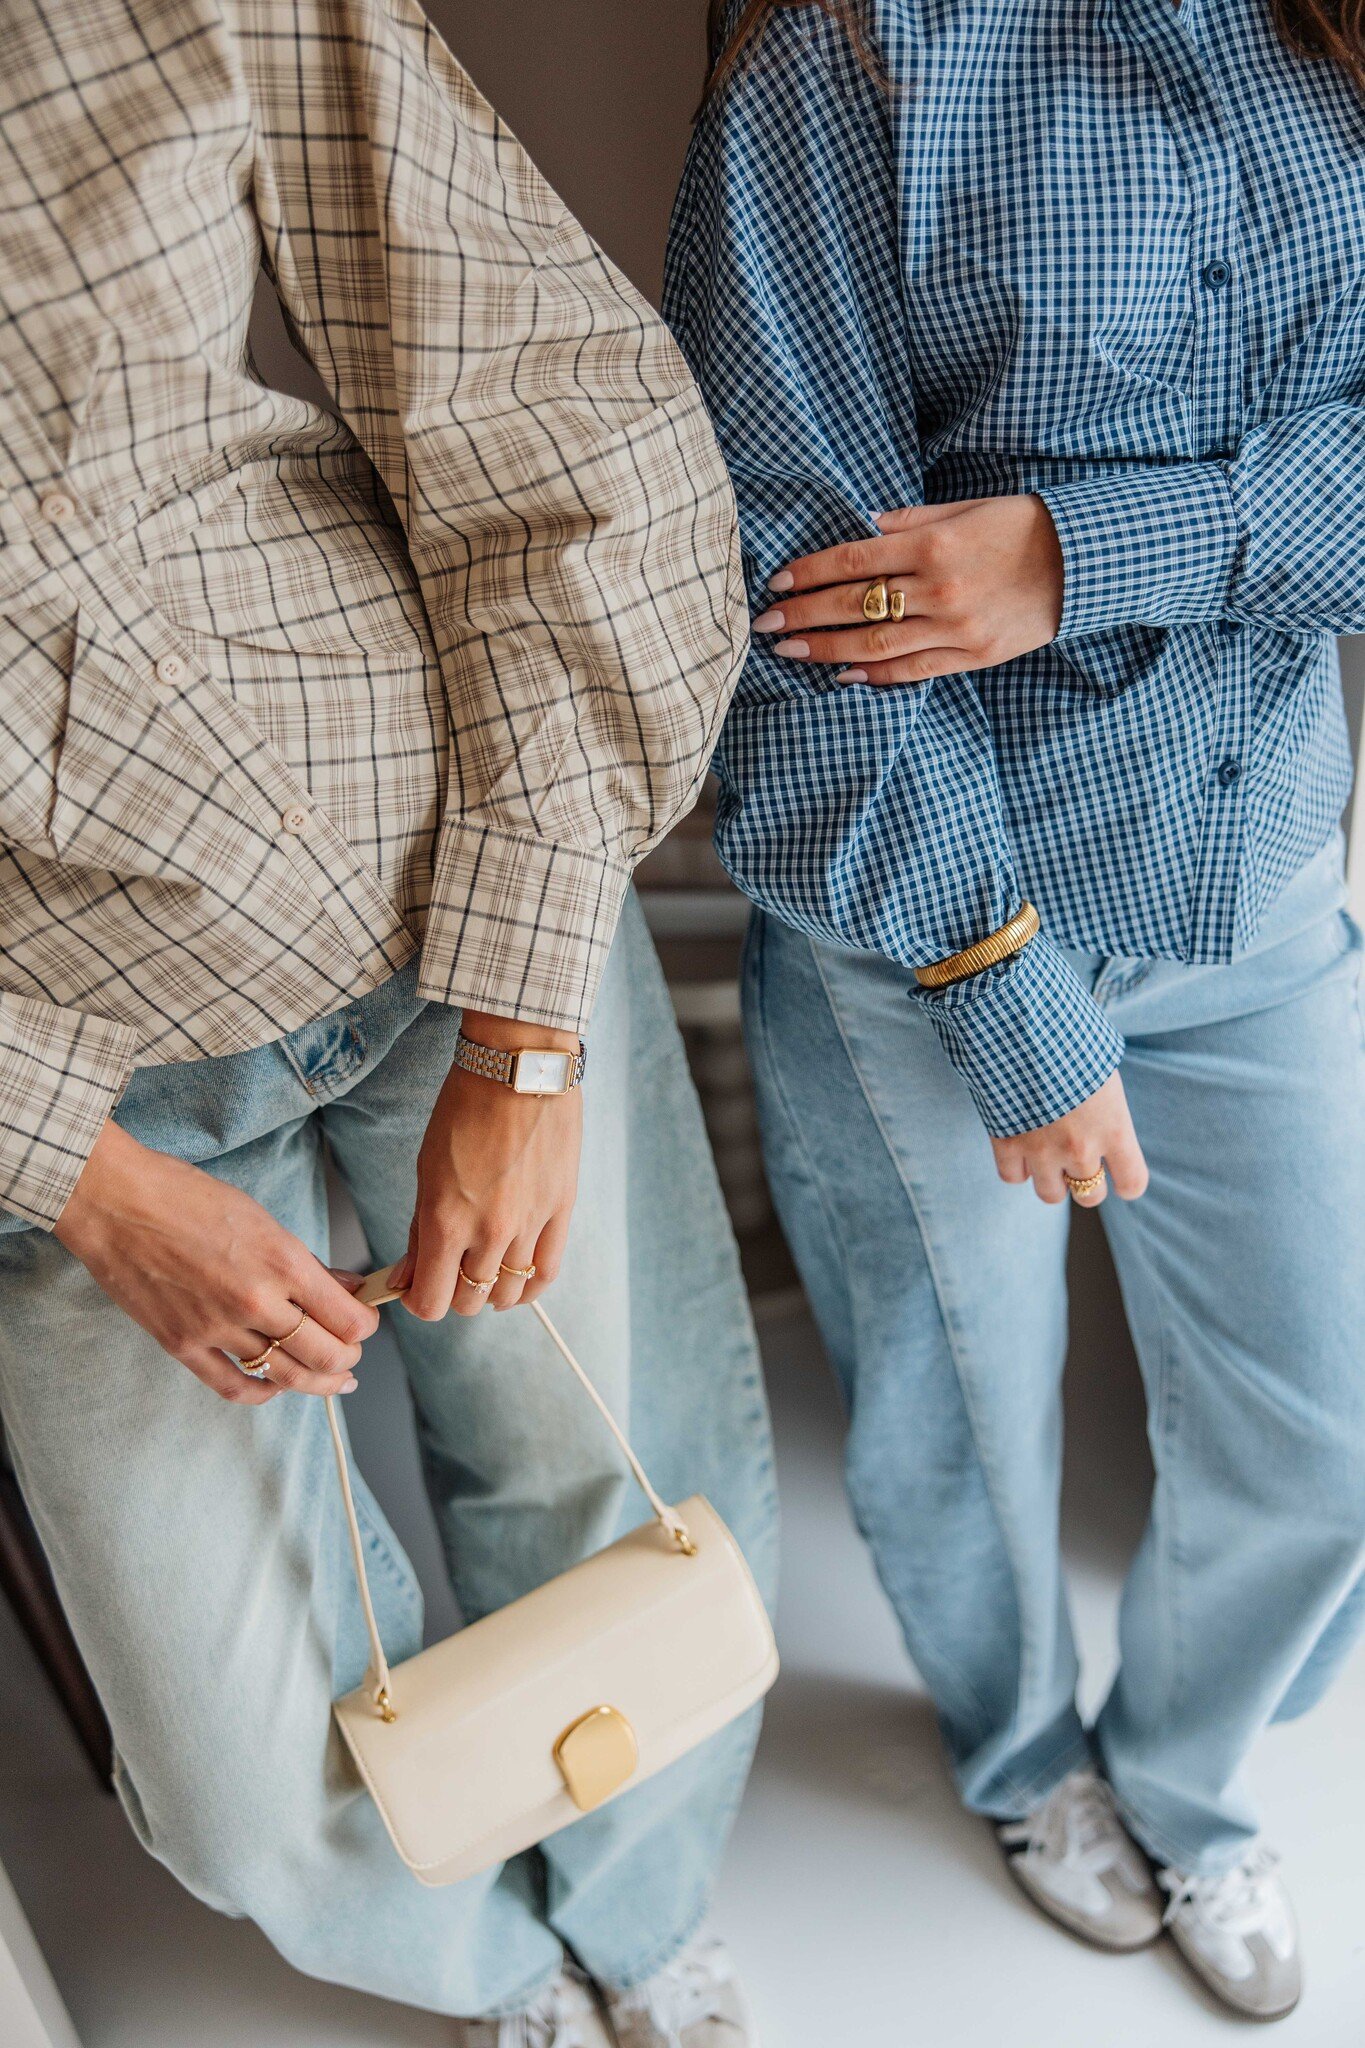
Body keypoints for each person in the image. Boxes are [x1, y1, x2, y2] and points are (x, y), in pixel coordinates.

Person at [0, 3, 777, 2043]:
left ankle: (638, 1917)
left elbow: (545, 400)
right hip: (72, 1092)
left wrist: (525, 1032)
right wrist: (76, 1172)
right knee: (236, 1774)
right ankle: (498, 1970)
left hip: (444, 900)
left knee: (614, 1494)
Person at [665, 0, 1365, 2022]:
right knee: (954, 1428)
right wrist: (995, 980)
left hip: (1260, 887)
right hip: (934, 944)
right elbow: (789, 604)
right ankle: (1018, 1763)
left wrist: (1080, 552)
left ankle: (1184, 1777)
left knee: (1322, 1444)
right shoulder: (842, 63)